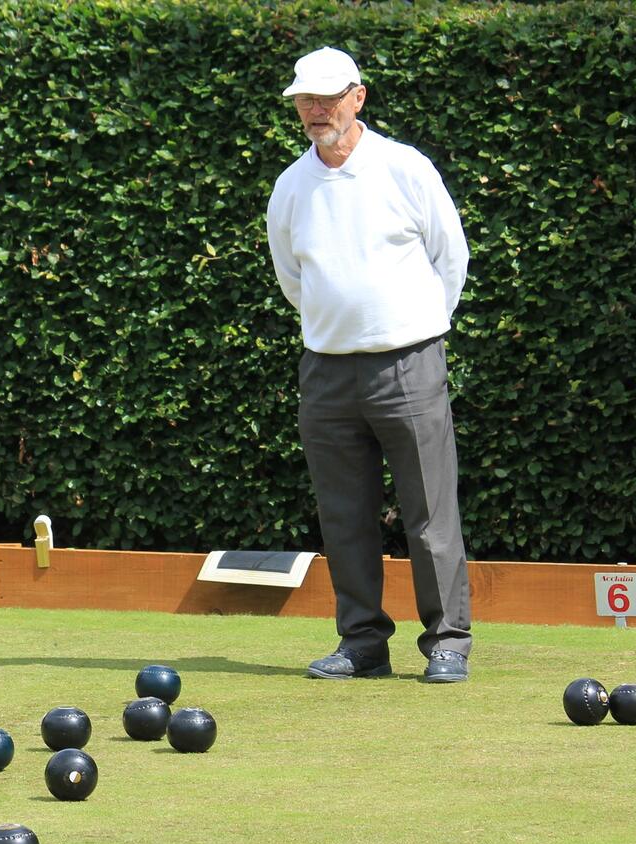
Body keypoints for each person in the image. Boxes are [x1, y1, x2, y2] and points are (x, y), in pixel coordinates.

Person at [265, 47, 472, 683]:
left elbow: (450, 258)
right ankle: (361, 644)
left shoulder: (405, 168)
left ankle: (448, 641)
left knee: (430, 511)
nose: (315, 110)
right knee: (343, 514)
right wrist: (341, 328)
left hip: (410, 364)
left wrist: (412, 332)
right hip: (325, 371)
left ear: (358, 96)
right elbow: (292, 276)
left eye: (328, 97)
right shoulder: (291, 186)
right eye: (305, 99)